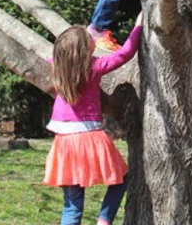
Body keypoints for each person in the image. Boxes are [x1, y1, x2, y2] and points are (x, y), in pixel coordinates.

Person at [44, 15, 144, 225]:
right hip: (90, 137)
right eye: (89, 37)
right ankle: (104, 220)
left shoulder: (58, 67)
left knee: (72, 205)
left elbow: (55, 56)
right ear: (84, 51)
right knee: (121, 178)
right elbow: (125, 54)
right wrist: (138, 26)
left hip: (64, 142)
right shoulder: (94, 67)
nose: (93, 37)